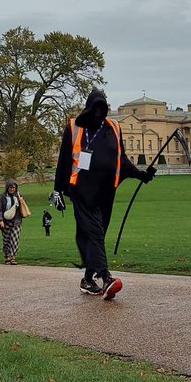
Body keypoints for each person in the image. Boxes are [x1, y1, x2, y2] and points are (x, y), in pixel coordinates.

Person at [54, 89, 154, 298]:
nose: (99, 114)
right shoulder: (74, 127)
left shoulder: (114, 127)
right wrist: (58, 191)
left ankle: (88, 279)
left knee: (97, 235)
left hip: (106, 193)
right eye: (96, 109)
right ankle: (106, 278)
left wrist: (140, 175)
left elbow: (121, 159)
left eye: (103, 109)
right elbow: (64, 159)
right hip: (82, 191)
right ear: (89, 109)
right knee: (94, 234)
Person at [0, 179, 25, 265]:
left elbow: (23, 206)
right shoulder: (2, 197)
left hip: (16, 221)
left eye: (13, 188)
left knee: (14, 239)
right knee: (6, 240)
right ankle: (7, 256)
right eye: (10, 187)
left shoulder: (19, 196)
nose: (12, 189)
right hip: (6, 222)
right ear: (7, 188)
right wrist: (0, 220)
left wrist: (22, 201)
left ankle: (13, 257)